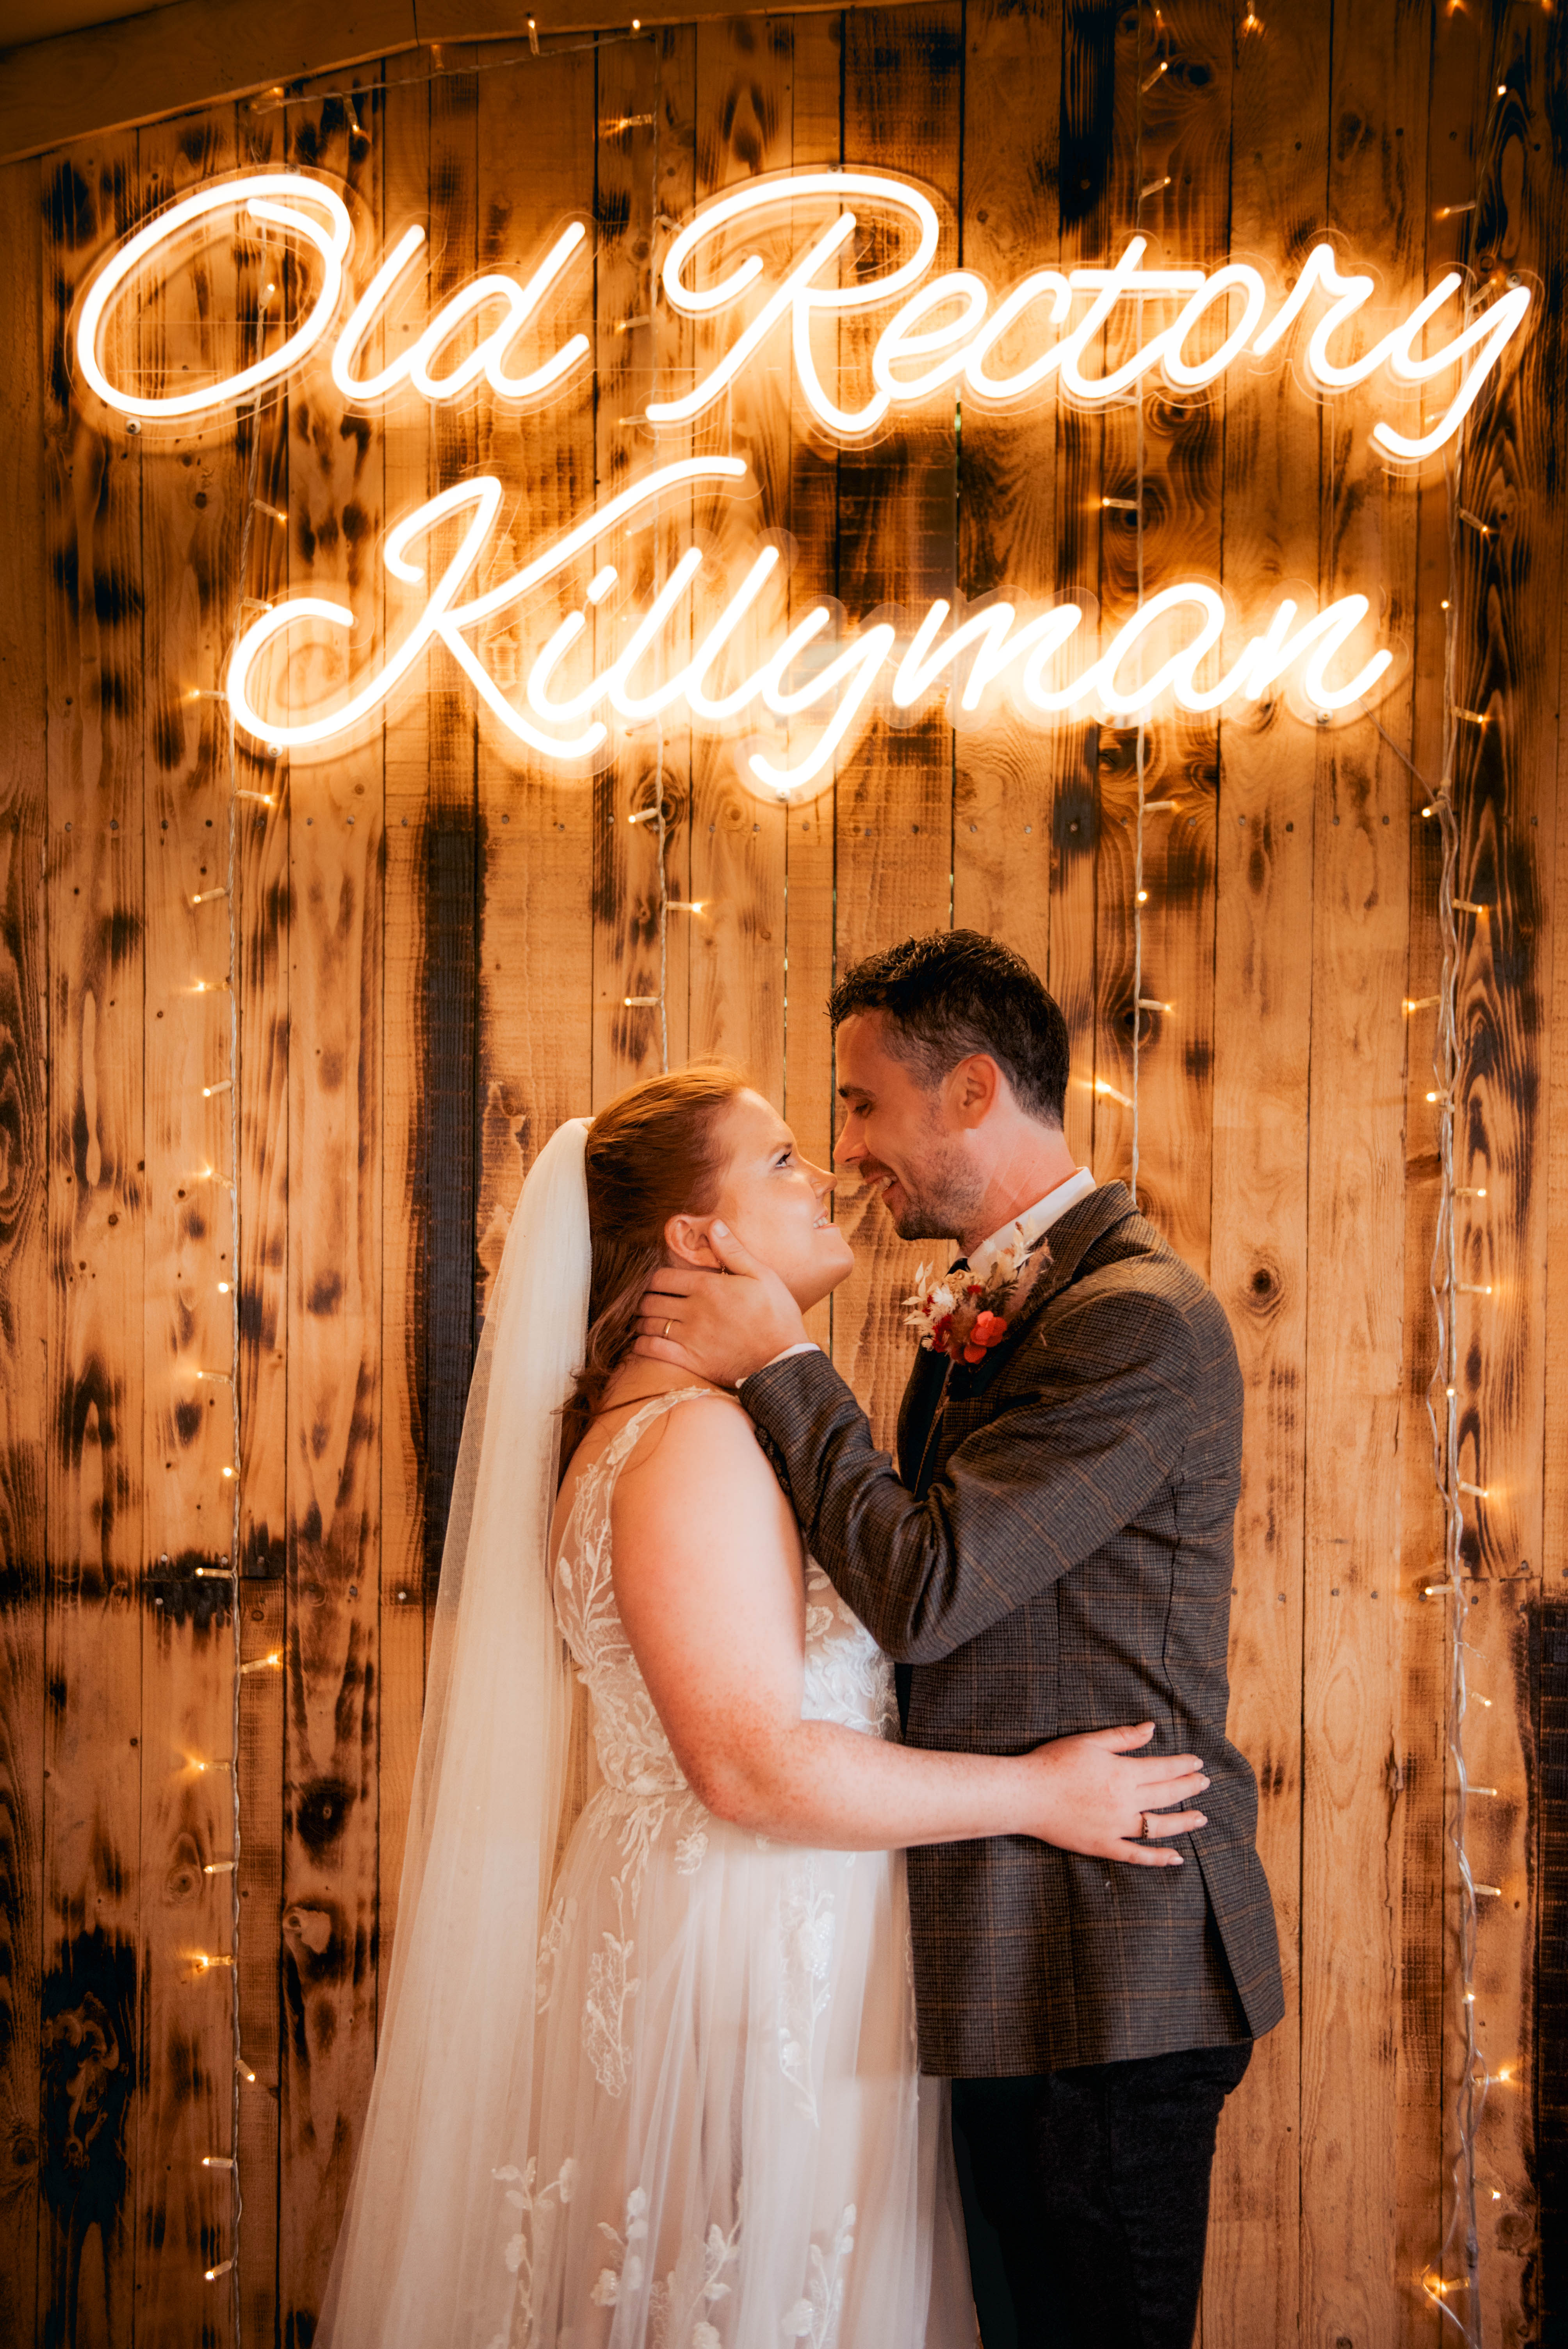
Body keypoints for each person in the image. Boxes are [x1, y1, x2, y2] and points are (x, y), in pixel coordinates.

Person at [314, 1062, 1212, 2349]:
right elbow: (747, 1766)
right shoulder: (693, 1442)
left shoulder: (683, 1426)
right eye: (784, 1159)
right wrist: (1042, 1793)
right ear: (698, 1240)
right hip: (748, 1953)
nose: (828, 1174)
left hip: (755, 1934)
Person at [636, 932, 1285, 2349]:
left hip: (1105, 1962)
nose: (847, 1148)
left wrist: (781, 1364)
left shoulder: (1135, 1323)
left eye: (863, 1104)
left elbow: (928, 1587)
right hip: (1003, 1949)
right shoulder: (1004, 1307)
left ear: (974, 1090)